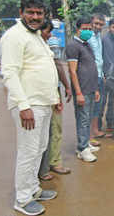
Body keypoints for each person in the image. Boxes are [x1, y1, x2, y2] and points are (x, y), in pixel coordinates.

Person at [1, 0, 59, 215]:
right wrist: (23, 105)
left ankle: (33, 188)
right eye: (30, 12)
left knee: (40, 149)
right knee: (28, 151)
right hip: (29, 105)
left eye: (39, 13)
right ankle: (23, 200)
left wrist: (55, 99)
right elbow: (10, 72)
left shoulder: (35, 36)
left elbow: (42, 69)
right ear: (21, 11)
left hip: (43, 103)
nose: (35, 17)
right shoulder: (14, 36)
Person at [38, 19, 72, 182]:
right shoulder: (40, 45)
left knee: (52, 129)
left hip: (50, 90)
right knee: (48, 131)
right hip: (43, 93)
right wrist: (66, 86)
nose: (50, 34)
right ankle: (48, 166)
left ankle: (50, 163)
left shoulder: (46, 44)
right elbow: (58, 65)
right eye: (47, 31)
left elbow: (58, 65)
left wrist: (64, 86)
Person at [66, 17, 100, 163]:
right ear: (77, 29)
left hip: (91, 88)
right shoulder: (73, 45)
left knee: (88, 116)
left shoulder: (86, 44)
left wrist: (96, 89)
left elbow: (91, 67)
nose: (87, 31)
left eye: (89, 29)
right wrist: (78, 93)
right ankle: (81, 149)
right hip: (82, 90)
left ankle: (86, 143)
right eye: (84, 29)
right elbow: (72, 72)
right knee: (83, 119)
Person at [88, 13, 106, 145]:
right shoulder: (87, 36)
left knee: (97, 105)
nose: (98, 26)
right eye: (96, 24)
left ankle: (95, 130)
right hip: (91, 76)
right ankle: (88, 136)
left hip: (100, 75)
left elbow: (99, 57)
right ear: (91, 23)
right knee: (89, 106)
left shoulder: (99, 36)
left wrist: (103, 75)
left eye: (100, 24)